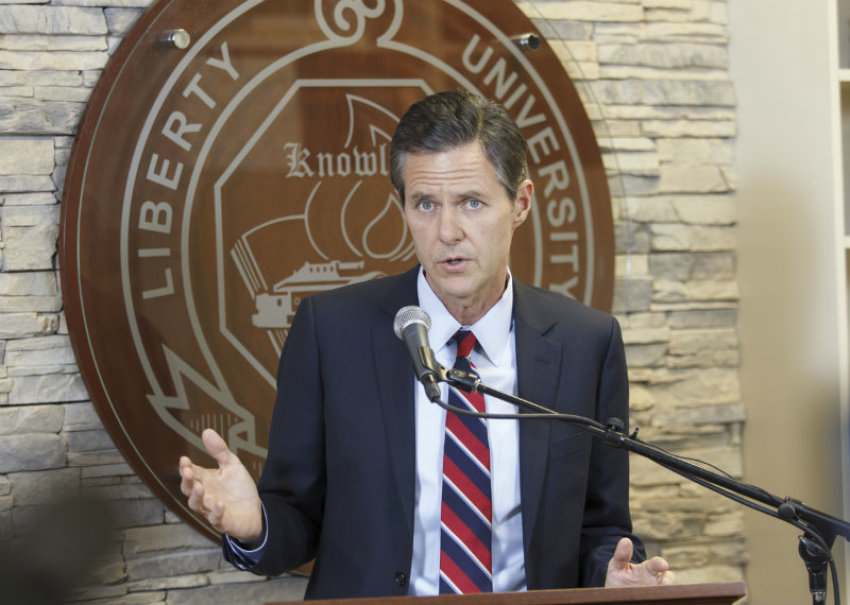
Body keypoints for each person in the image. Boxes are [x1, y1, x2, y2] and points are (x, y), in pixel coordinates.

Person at [179, 89, 674, 598]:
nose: (447, 231)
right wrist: (255, 524)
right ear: (404, 207)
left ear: (520, 203)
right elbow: (297, 519)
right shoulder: (332, 332)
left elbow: (600, 528)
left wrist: (612, 577)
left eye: (472, 203)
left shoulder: (586, 342)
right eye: (426, 204)